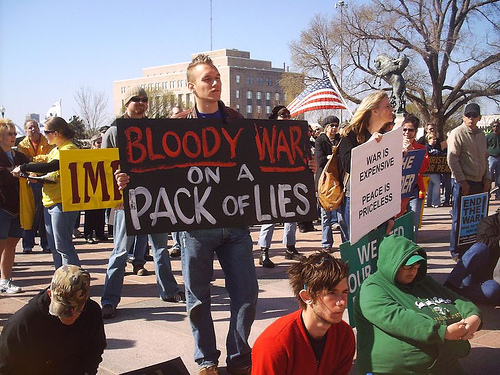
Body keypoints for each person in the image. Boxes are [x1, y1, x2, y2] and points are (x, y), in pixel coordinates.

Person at [118, 55, 258, 374]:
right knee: (198, 298)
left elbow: (259, 165)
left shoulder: (236, 121)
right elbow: (155, 169)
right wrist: (130, 179)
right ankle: (206, 359)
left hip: (234, 223)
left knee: (247, 294)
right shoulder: (177, 125)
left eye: (217, 77)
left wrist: (295, 170)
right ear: (191, 86)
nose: (215, 82)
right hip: (194, 228)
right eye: (207, 78)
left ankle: (239, 358)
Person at [100, 86, 185, 319]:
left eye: (144, 100)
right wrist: (115, 183)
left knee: (160, 249)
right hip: (125, 202)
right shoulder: (115, 130)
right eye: (135, 99)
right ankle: (109, 300)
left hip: (155, 198)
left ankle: (168, 290)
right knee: (120, 252)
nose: (140, 103)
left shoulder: (154, 128)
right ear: (126, 103)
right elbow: (103, 167)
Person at [354, 234, 482, 375]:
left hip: (444, 362)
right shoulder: (372, 287)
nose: (414, 271)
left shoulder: (424, 281)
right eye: (408, 267)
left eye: (417, 266)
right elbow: (396, 318)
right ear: (392, 263)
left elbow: (456, 299)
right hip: (398, 369)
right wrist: (442, 332)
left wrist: (474, 317)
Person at [252, 252, 355, 374]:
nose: (342, 301)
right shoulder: (274, 344)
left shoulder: (344, 335)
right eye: (331, 293)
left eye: (345, 291)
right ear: (306, 296)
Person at [0, 265, 106, 374]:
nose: (72, 315)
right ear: (50, 294)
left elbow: (96, 348)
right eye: (64, 310)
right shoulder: (23, 323)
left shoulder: (92, 312)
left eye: (77, 309)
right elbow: (6, 367)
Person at [13, 117, 80, 269]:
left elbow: (51, 166)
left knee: (64, 246)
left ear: (55, 133)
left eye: (46, 132)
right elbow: (53, 174)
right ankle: (60, 280)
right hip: (50, 201)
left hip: (63, 202)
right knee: (55, 247)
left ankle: (75, 284)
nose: (44, 134)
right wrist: (36, 178)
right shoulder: (56, 149)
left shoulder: (69, 149)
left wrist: (24, 167)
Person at [338, 90, 395, 242]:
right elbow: (349, 165)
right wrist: (370, 146)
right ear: (375, 110)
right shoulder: (349, 134)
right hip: (356, 202)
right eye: (387, 106)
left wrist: (391, 215)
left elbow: (390, 177)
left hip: (381, 201)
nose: (392, 110)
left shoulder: (388, 136)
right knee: (357, 253)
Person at [257, 105, 304, 268]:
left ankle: (290, 247)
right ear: (276, 117)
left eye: (288, 115)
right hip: (271, 179)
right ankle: (264, 251)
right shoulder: (267, 134)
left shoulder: (296, 135)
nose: (286, 117)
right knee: (269, 216)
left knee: (291, 215)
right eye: (283, 115)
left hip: (291, 178)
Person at [447, 103, 490, 260]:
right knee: (459, 219)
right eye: (468, 115)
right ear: (463, 117)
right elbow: (452, 159)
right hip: (463, 183)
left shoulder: (482, 135)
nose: (471, 118)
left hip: (479, 182)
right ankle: (456, 252)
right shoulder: (457, 133)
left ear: (479, 117)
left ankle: (471, 249)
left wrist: (487, 178)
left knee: (476, 219)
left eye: (474, 115)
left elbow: (485, 158)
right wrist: (462, 181)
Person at [445, 212, 500, 305]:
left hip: (494, 282)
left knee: (492, 291)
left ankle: (457, 293)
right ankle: (448, 286)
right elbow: (483, 242)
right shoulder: (489, 222)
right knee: (479, 248)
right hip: (477, 272)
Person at [0, 119, 29, 294]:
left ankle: (5, 280)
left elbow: (32, 169)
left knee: (11, 244)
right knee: (1, 244)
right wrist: (17, 175)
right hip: (2, 206)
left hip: (18, 206)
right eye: (9, 133)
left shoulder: (19, 155)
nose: (13, 137)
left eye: (14, 133)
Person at [16, 119, 54, 254]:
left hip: (43, 181)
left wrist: (32, 161)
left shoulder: (47, 141)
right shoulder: (22, 145)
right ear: (26, 131)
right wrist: (37, 162)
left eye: (35, 127)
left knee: (44, 215)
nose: (33, 129)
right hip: (28, 183)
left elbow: (50, 159)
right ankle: (27, 244)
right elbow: (22, 161)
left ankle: (46, 244)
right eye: (30, 128)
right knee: (29, 215)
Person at [314, 115, 341, 252]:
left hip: (338, 180)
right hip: (324, 181)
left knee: (342, 216)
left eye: (336, 125)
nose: (334, 128)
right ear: (326, 127)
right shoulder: (320, 140)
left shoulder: (340, 140)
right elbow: (320, 160)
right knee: (326, 216)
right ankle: (326, 243)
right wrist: (330, 156)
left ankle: (345, 243)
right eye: (331, 125)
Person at [402, 114, 429, 240]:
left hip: (414, 189)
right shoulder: (393, 146)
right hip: (399, 191)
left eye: (410, 130)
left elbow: (424, 168)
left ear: (416, 132)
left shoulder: (421, 148)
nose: (407, 133)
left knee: (413, 224)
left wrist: (412, 151)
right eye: (405, 129)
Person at [83, 135, 108, 244]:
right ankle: (88, 234)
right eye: (98, 143)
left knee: (101, 211)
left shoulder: (106, 154)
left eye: (101, 142)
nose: (100, 145)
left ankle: (99, 233)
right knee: (90, 212)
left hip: (103, 186)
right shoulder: (87, 155)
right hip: (90, 186)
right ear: (93, 144)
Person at [425, 132, 444, 208]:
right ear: (429, 139)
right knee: (437, 183)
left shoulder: (437, 147)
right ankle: (435, 202)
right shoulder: (426, 147)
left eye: (435, 139)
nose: (435, 140)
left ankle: (430, 202)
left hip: (436, 170)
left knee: (431, 186)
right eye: (433, 139)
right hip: (428, 170)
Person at [486, 119, 500, 200]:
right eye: (494, 126)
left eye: (497, 126)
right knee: (489, 176)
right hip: (491, 157)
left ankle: (498, 194)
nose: (496, 127)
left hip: (499, 157)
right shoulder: (489, 136)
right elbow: (484, 146)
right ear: (492, 127)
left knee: (499, 177)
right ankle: (488, 193)